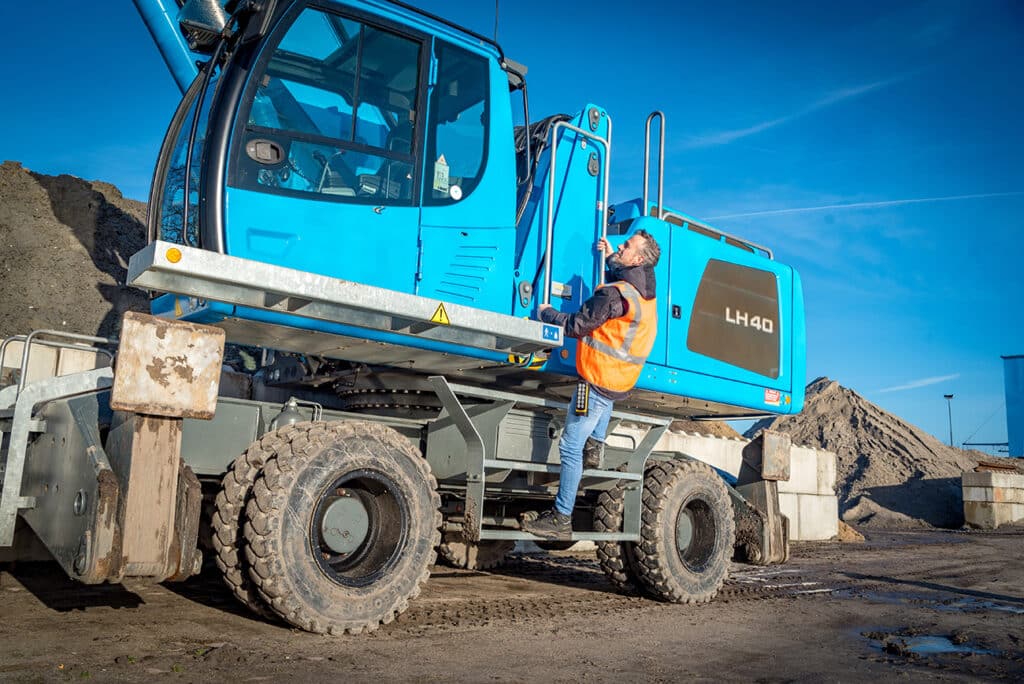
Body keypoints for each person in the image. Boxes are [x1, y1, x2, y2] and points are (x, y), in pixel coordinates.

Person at [521, 230, 660, 539]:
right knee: (591, 431)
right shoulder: (646, 290)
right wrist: (611, 255)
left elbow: (576, 325)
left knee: (571, 446)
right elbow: (625, 273)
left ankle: (561, 518)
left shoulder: (614, 296)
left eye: (626, 246)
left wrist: (546, 313)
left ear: (638, 259)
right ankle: (596, 446)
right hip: (618, 380)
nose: (621, 246)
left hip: (596, 381)